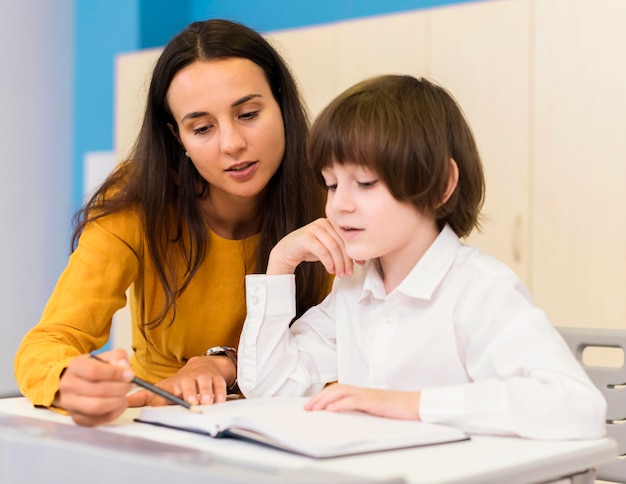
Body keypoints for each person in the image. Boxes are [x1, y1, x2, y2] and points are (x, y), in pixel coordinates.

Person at [237, 74, 607, 439]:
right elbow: (269, 384)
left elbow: (576, 405)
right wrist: (279, 264)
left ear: (441, 184)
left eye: (365, 183)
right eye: (331, 184)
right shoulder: (353, 288)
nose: (338, 205)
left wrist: (409, 405)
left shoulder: (479, 289)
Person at [14, 19, 330, 427]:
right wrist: (68, 382)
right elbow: (50, 341)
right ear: (176, 136)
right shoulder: (137, 201)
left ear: (281, 103)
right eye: (201, 128)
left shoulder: (333, 191)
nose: (232, 144)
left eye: (249, 114)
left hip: (298, 423)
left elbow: (354, 345)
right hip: (163, 425)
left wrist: (223, 365)